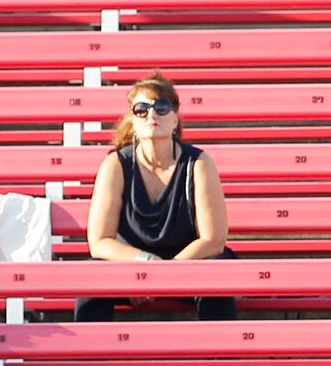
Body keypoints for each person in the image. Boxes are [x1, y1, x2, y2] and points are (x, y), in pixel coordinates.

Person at [80, 76, 232, 321]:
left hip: (189, 262)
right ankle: (88, 358)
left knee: (217, 271)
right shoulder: (115, 165)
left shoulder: (199, 163)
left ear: (175, 118)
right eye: (141, 109)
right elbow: (99, 242)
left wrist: (164, 273)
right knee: (92, 276)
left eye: (161, 107)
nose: (152, 114)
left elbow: (213, 240)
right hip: (131, 264)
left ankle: (222, 357)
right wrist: (144, 265)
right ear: (132, 119)